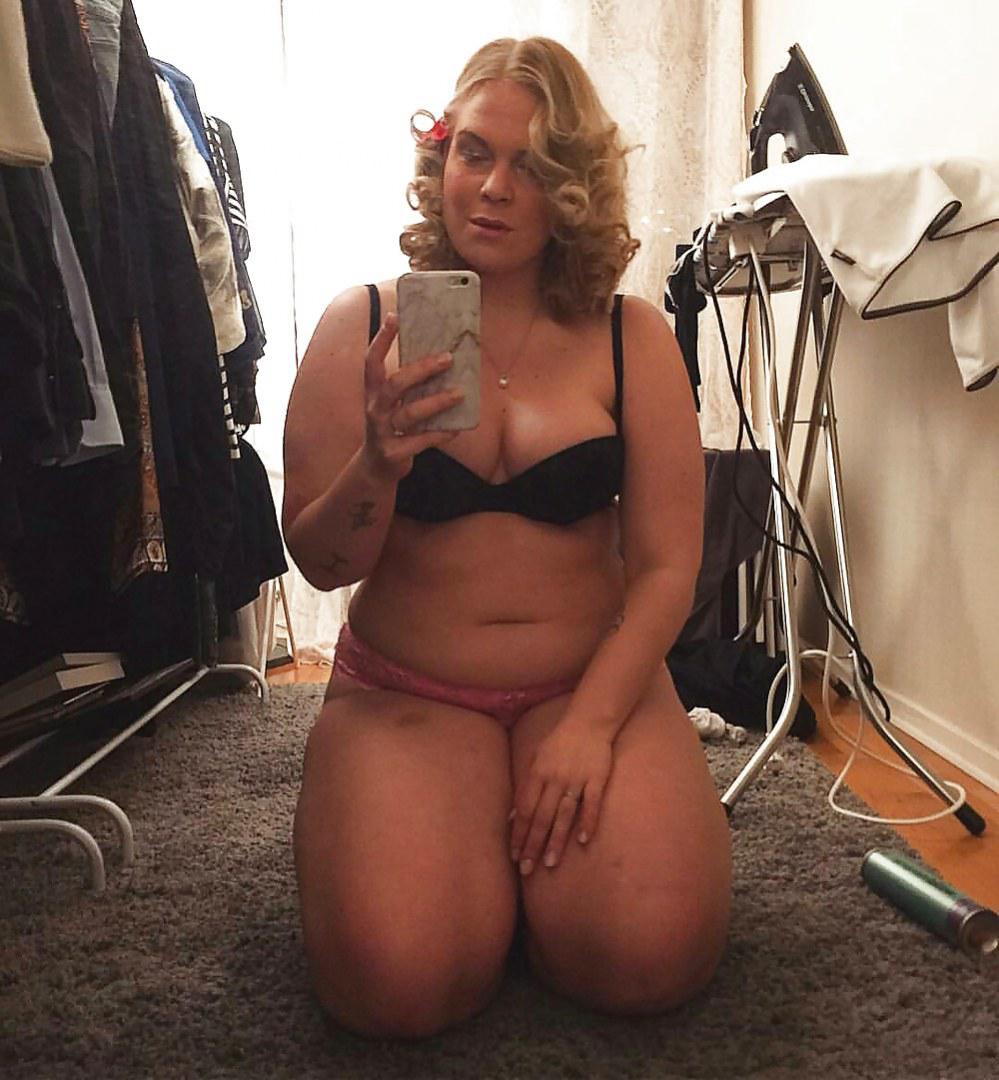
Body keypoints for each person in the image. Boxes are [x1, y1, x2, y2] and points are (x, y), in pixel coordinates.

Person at [282, 36, 732, 1039]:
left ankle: (520, 878)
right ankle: (466, 864)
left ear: (573, 189)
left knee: (651, 956)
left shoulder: (632, 338)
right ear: (439, 157)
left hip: (588, 686)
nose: (491, 187)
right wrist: (378, 463)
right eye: (473, 152)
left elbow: (667, 568)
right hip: (407, 695)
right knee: (396, 986)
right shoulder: (365, 327)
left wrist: (590, 727)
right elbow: (319, 561)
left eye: (529, 165)